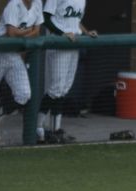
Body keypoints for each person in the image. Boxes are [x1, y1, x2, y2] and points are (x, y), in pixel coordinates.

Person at [0, 0, 41, 145]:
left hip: (13, 54)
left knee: (24, 94)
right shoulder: (13, 4)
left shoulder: (37, 4)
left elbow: (37, 31)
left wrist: (24, 34)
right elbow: (11, 33)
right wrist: (28, 33)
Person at [40, 0, 96, 145]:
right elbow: (45, 19)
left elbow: (75, 21)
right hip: (58, 45)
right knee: (55, 89)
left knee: (64, 89)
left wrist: (86, 32)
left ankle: (56, 130)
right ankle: (39, 128)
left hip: (73, 45)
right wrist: (61, 34)